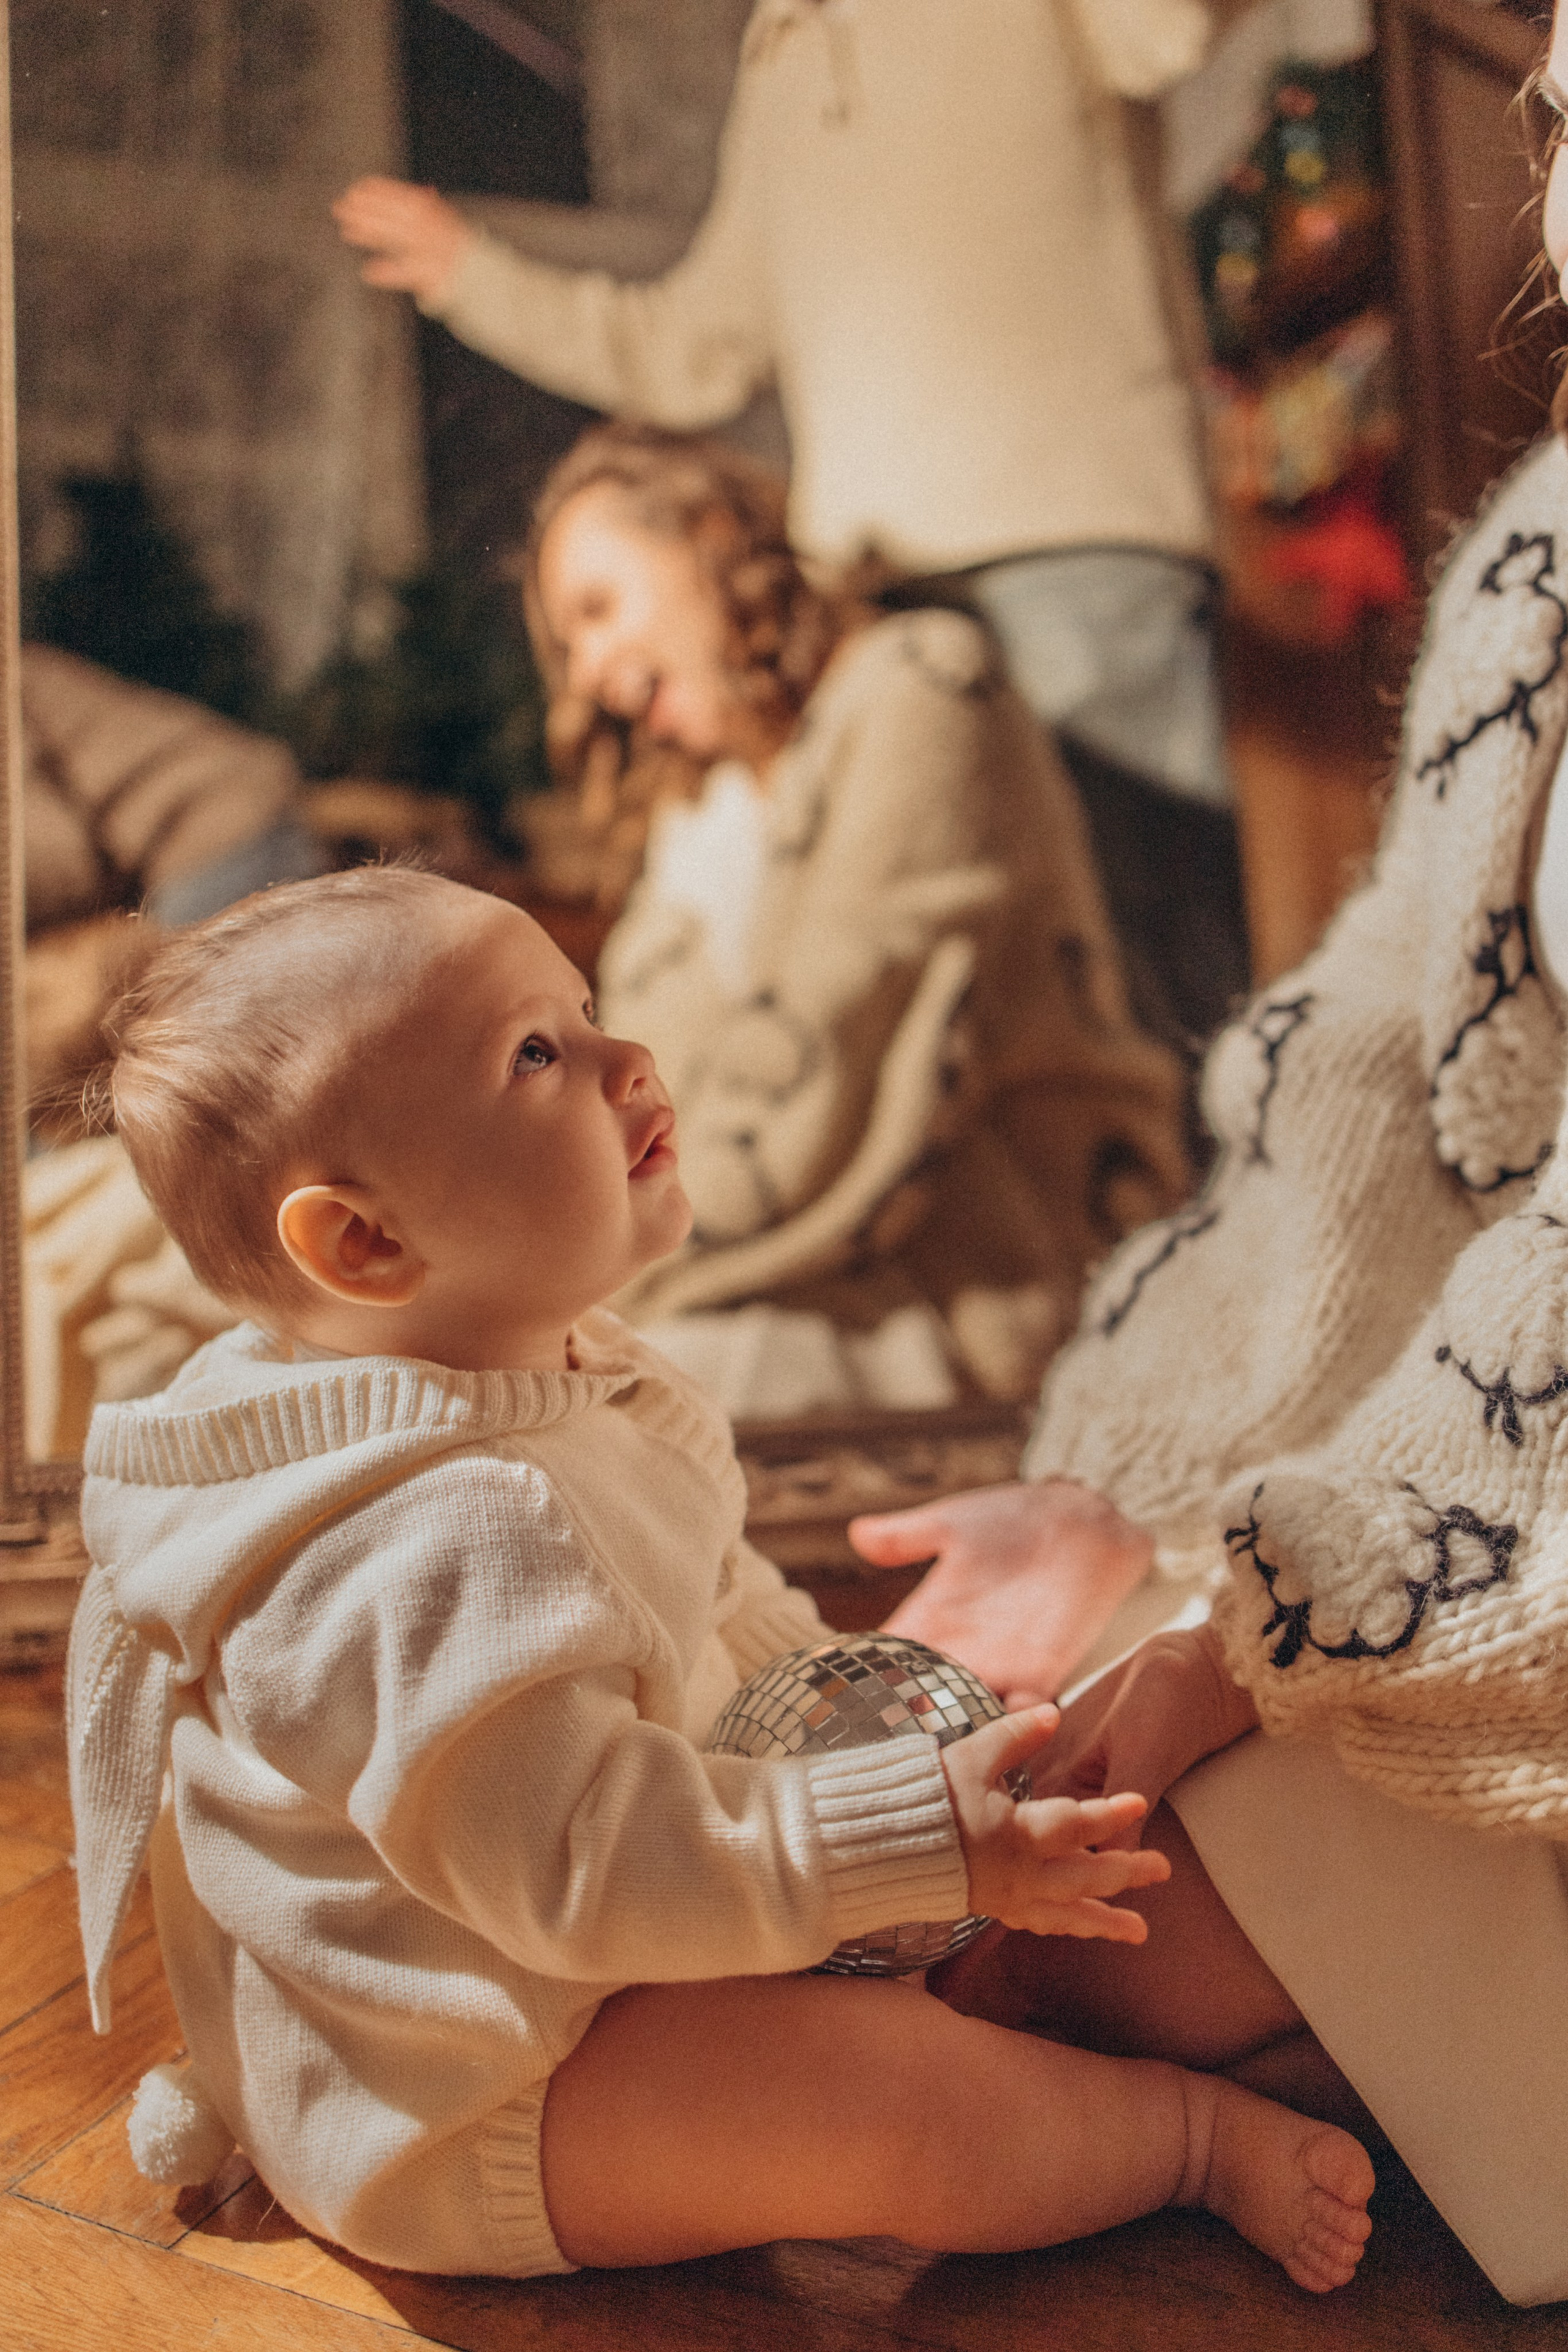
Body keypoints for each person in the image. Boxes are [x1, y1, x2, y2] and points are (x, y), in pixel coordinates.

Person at [64, 866, 1373, 2287]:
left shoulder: (566, 1370)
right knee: (892, 2103)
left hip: (604, 1951)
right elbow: (579, 1869)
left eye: (585, 1012)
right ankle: (1177, 2140)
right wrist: (899, 1840)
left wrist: (879, 1741)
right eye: (535, 1055)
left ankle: (1039, 2013)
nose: (629, 1062)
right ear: (367, 1242)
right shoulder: (421, 1551)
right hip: (473, 2090)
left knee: (950, 1939)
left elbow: (717, 1603)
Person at [839, 6, 1568, 2307]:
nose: (1546, 92)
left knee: (1060, 1951)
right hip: (1471, 1463)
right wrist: (1150, 1498)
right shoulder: (1545, 551)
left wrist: (1276, 1632)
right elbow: (1368, 1059)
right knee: (939, 1752)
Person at [331, 0, 1251, 1058]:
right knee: (975, 1013)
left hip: (1072, 536)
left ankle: (1239, 1217)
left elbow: (1175, 26)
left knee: (1151, 968)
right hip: (875, 598)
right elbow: (689, 351)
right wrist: (472, 277)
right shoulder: (783, 58)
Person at [521, 422, 1190, 1413]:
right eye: (569, 643)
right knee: (527, 1396)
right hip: (770, 1268)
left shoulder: (924, 684)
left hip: (988, 1276)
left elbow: (832, 1056)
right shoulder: (695, 815)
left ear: (710, 537)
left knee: (616, 1413)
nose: (586, 674)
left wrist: (562, 1274)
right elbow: (638, 1093)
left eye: (599, 606)